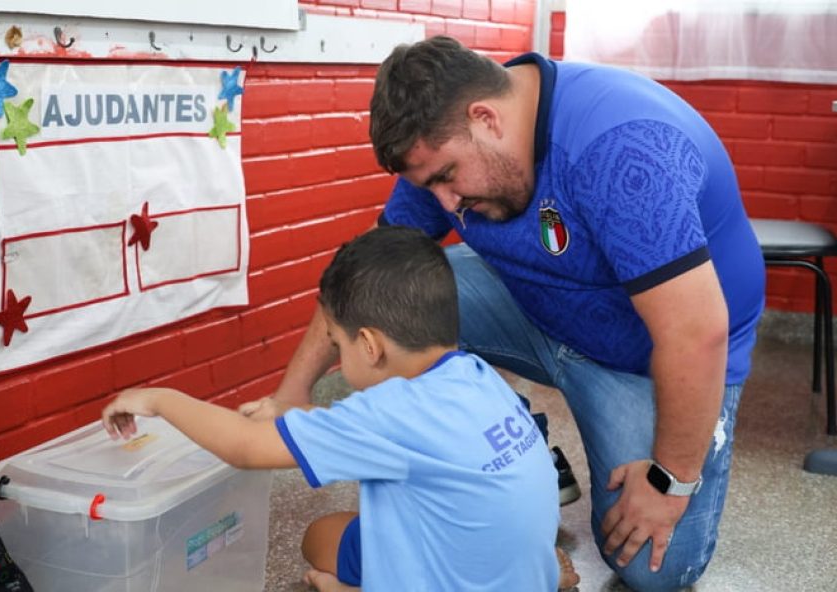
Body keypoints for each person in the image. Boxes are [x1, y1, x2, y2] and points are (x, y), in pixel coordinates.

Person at [266, 36, 766, 591]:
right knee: (394, 298)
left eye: (446, 177)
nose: (447, 203)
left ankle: (546, 462)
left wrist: (670, 481)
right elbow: (363, 282)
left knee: (654, 568)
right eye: (430, 186)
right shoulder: (450, 143)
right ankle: (517, 449)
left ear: (486, 119)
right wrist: (293, 394)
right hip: (535, 307)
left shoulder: (621, 145)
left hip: (648, 353)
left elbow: (696, 332)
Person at [102, 226, 571, 592]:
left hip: (449, 575)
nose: (337, 356)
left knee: (317, 538)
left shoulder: (392, 411)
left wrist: (160, 398)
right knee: (358, 530)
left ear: (368, 346)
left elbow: (244, 448)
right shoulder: (477, 374)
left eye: (336, 344)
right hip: (517, 569)